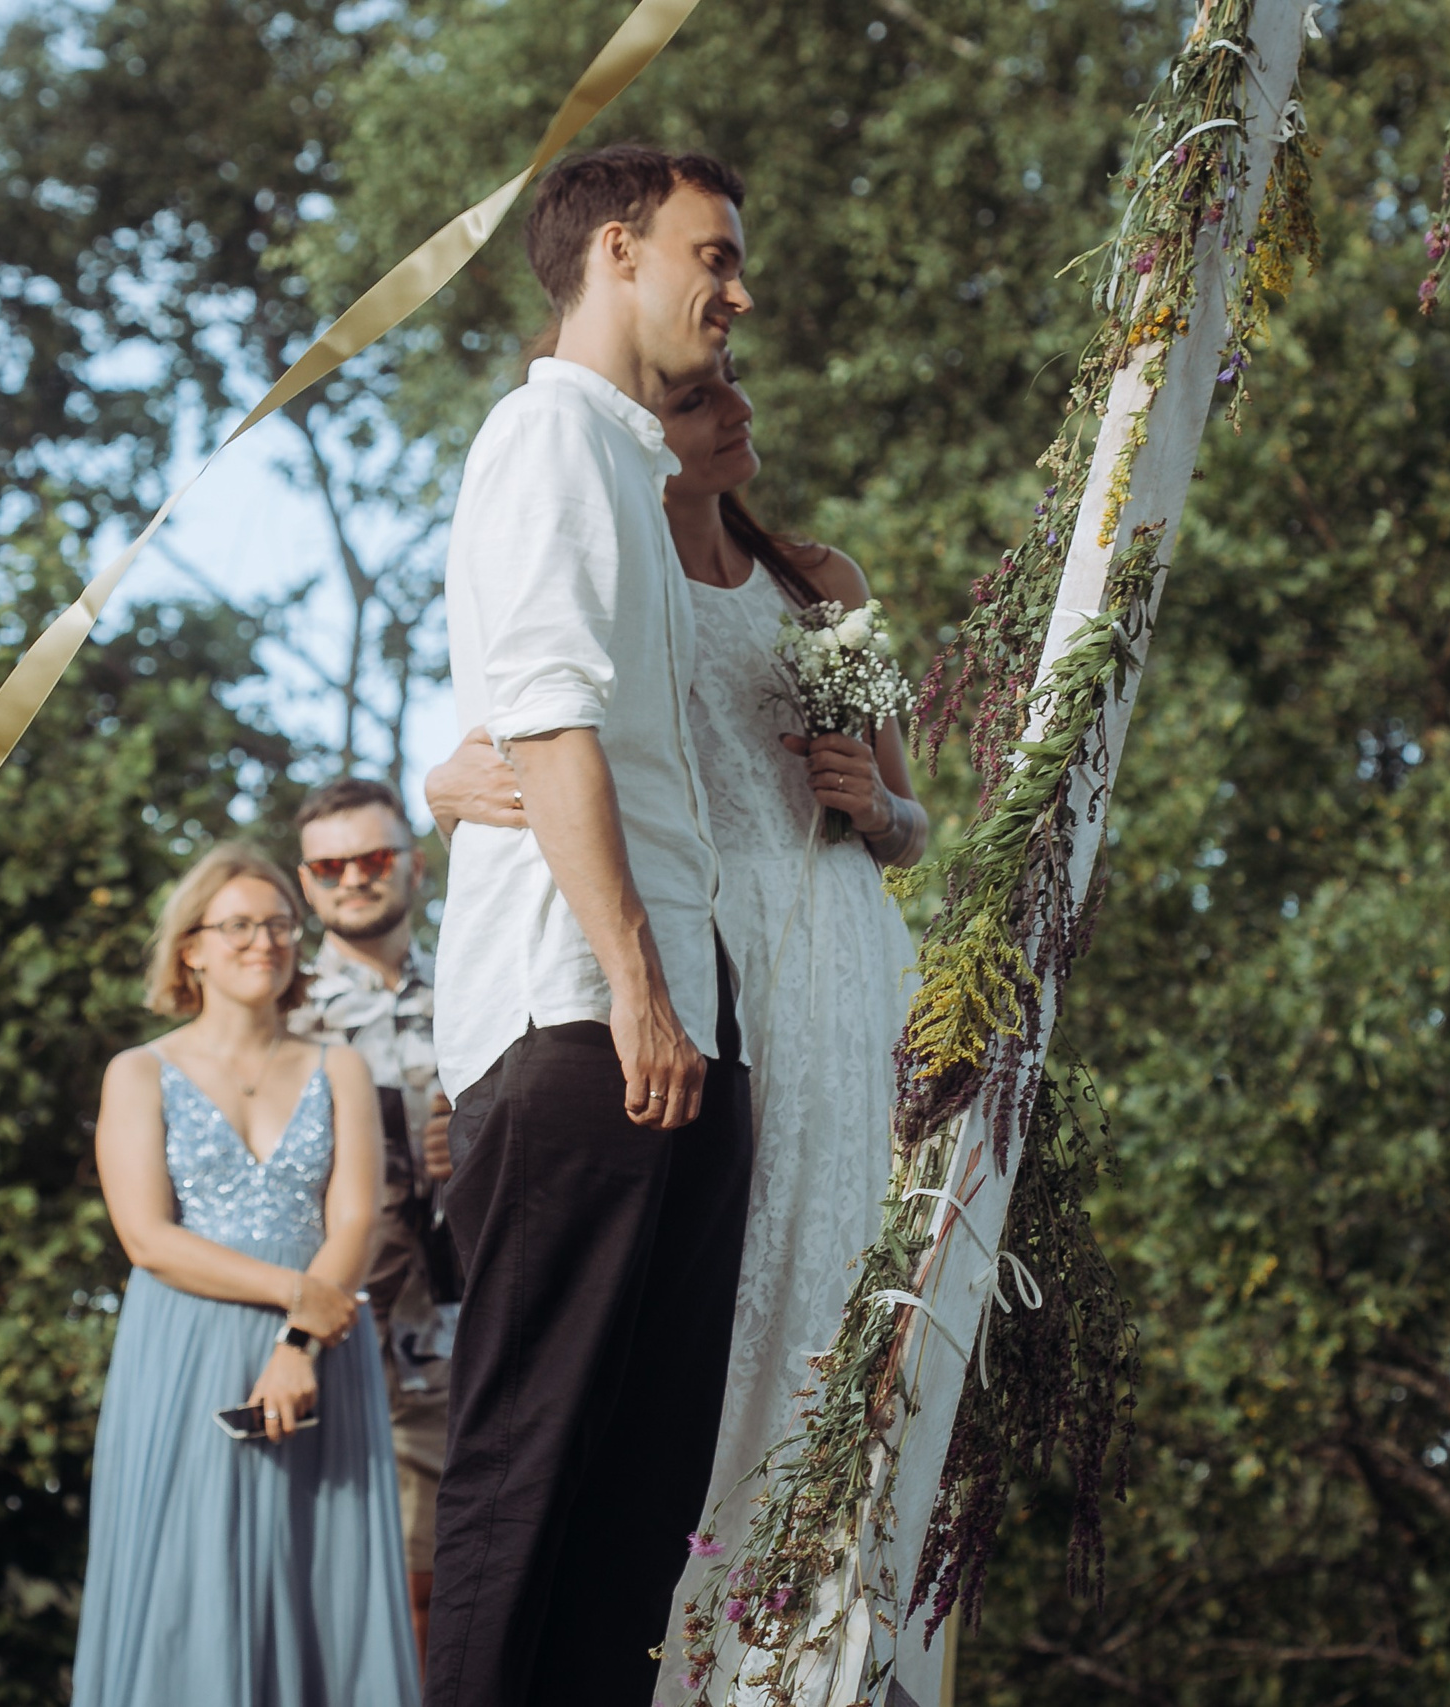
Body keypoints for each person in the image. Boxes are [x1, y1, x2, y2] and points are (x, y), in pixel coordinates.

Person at [430, 354, 926, 1684]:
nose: (739, 407)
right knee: (679, 1342)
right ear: (652, 434)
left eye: (740, 391)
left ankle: (818, 1645)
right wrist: (440, 785)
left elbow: (914, 816)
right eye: (706, 398)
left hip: (828, 948)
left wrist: (876, 809)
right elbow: (525, 730)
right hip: (695, 950)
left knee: (829, 1277)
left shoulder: (821, 584)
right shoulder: (616, 563)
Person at [424, 142, 757, 1707]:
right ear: (618, 249)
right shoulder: (544, 434)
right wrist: (633, 988)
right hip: (580, 1023)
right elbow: (547, 721)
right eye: (716, 252)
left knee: (640, 1496)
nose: (738, 289)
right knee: (530, 1465)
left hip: (680, 1019)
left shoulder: (631, 461)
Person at [73, 843, 417, 1705]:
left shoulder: (340, 1067)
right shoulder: (138, 1072)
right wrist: (296, 1293)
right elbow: (147, 1236)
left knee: (322, 1580)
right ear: (190, 947)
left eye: (277, 925)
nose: (262, 941)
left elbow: (357, 1222)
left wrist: (300, 1336)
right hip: (182, 1350)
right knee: (184, 1577)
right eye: (237, 925)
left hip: (320, 1352)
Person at [288, 778, 457, 1668]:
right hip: (315, 1344)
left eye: (375, 857)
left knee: (429, 1598)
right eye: (331, 864)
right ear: (307, 882)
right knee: (309, 1604)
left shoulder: (482, 990)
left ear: (413, 867)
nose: (355, 877)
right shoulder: (275, 1010)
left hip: (450, 1340)